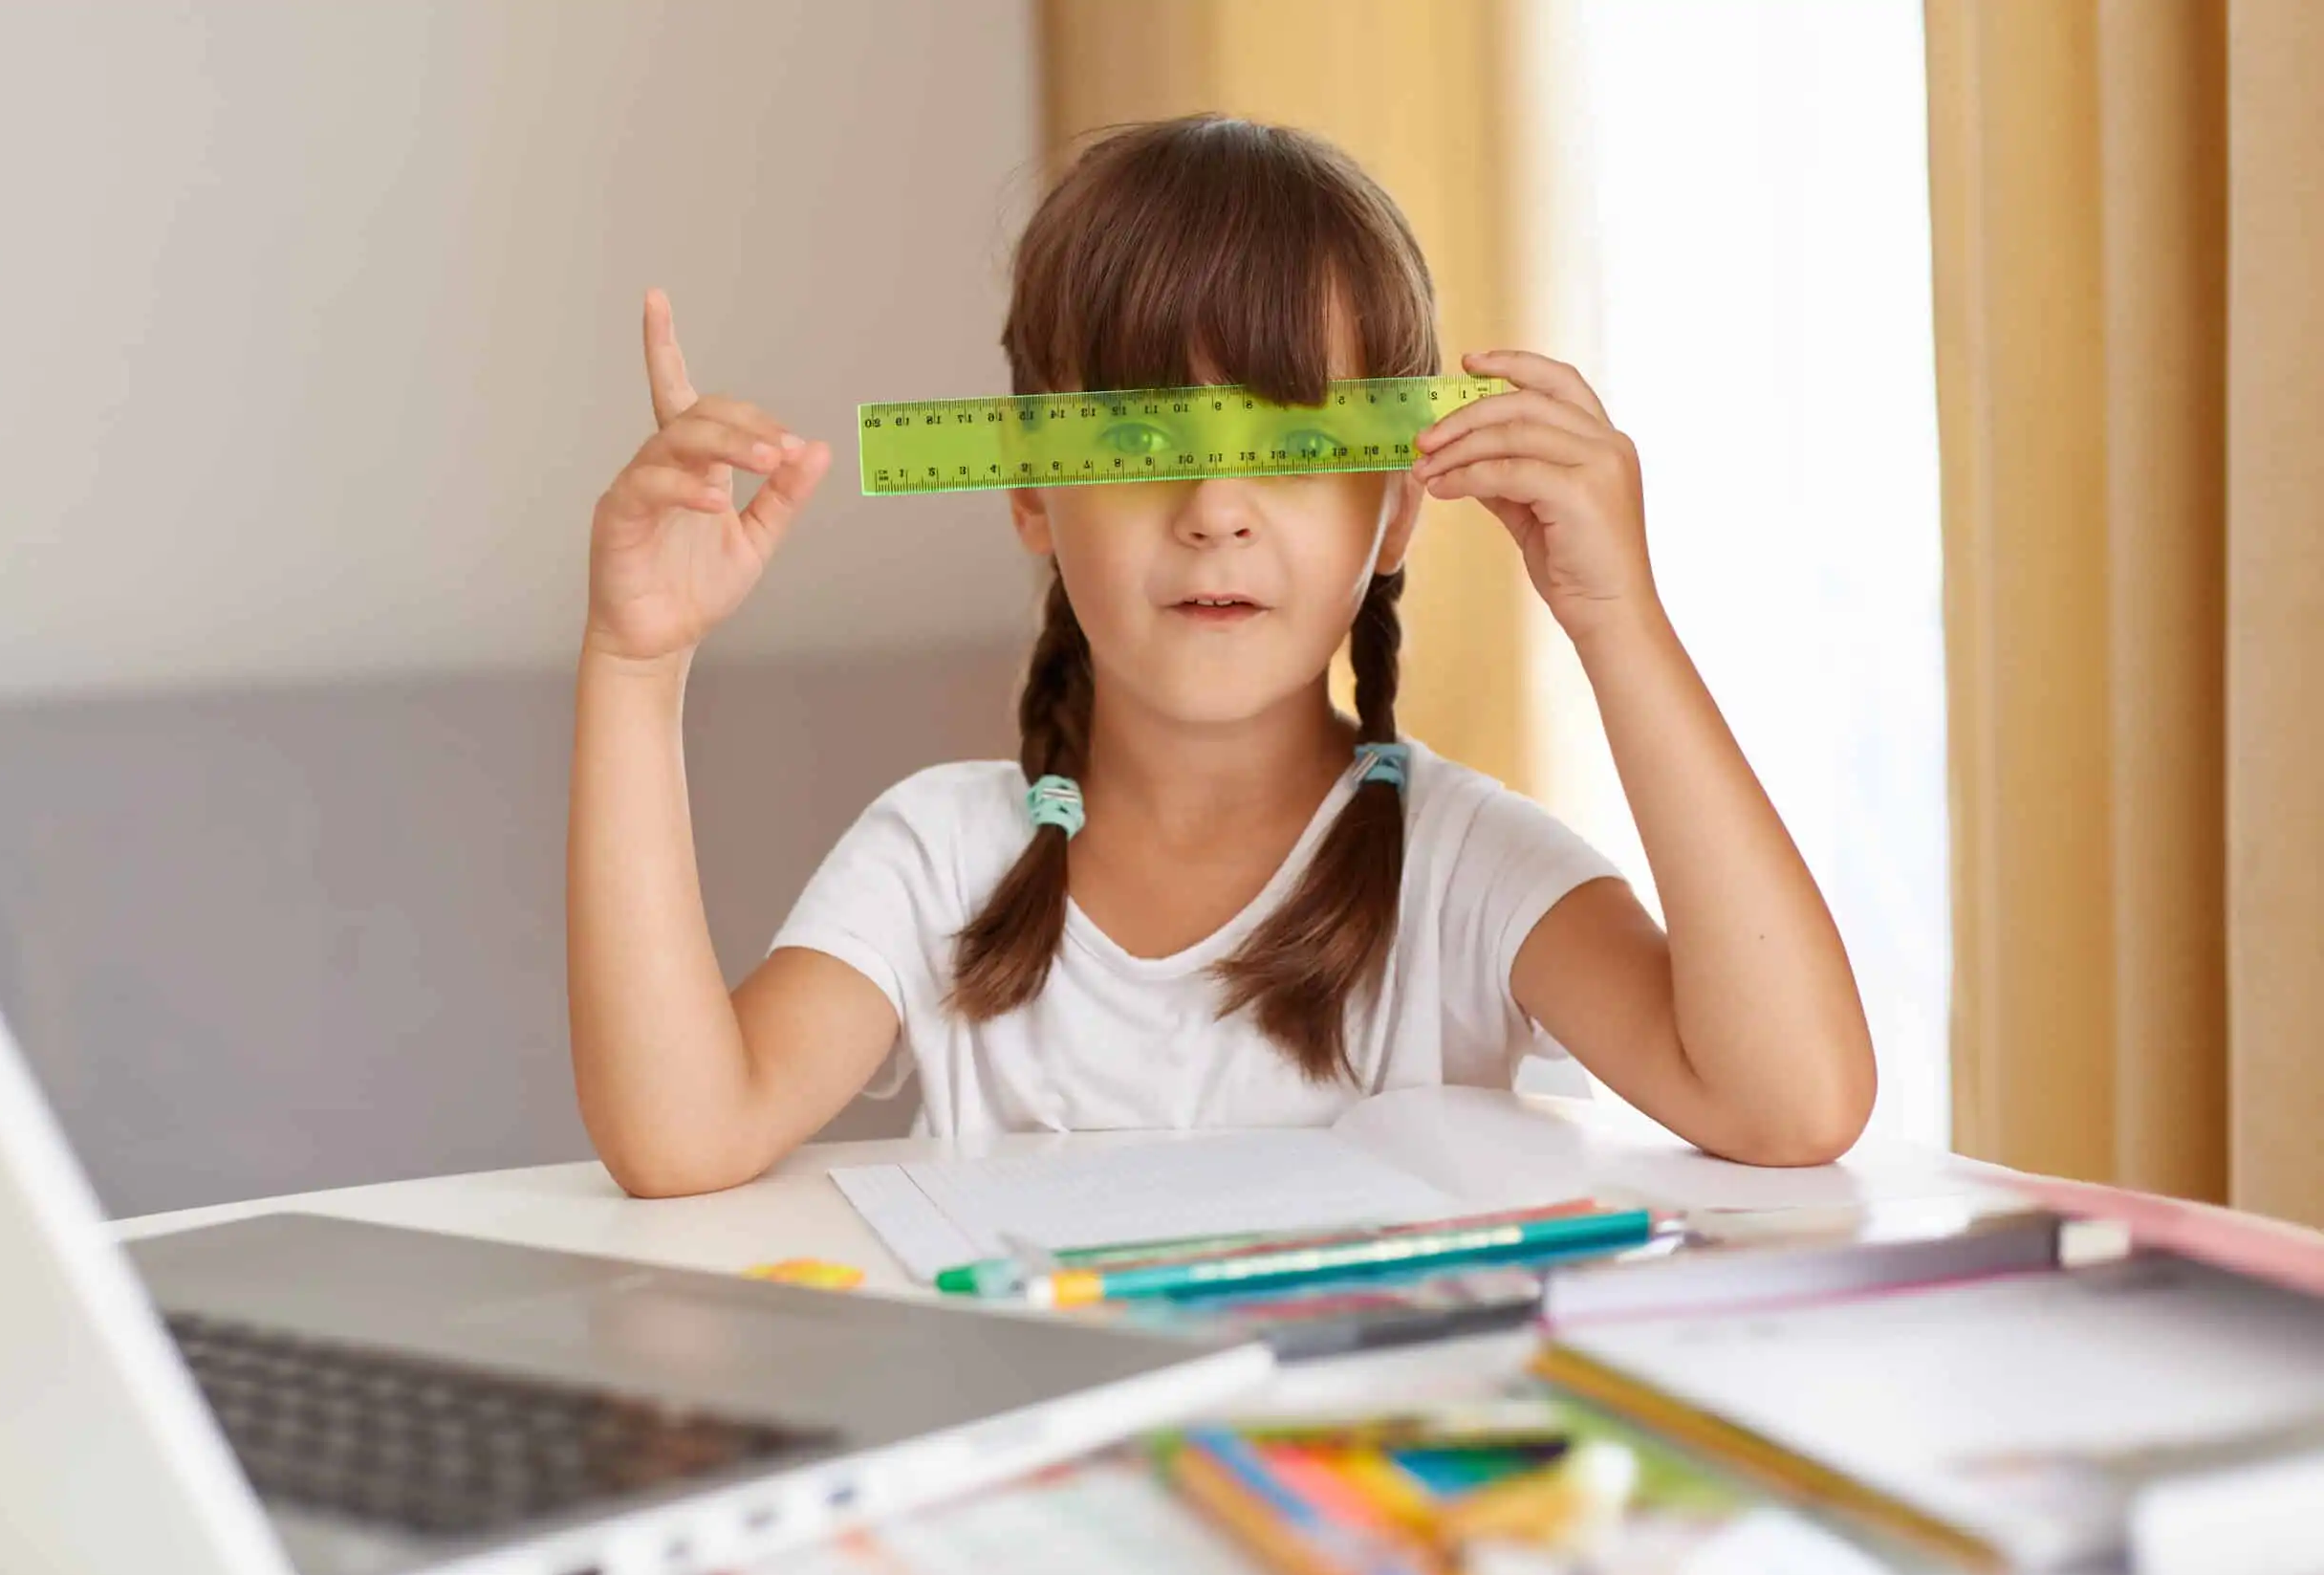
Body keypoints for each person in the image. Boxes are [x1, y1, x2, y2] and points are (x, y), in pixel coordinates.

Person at [567, 115, 1875, 1198]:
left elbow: (1794, 1101)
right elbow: (682, 1136)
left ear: (1397, 507)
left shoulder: (1460, 869)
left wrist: (1618, 618)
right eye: (1137, 444)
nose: (1215, 508)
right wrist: (636, 665)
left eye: (1296, 445)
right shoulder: (938, 859)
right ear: (1029, 490)